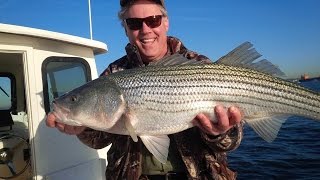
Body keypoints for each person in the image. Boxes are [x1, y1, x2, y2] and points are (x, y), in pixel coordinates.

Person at [46, 0, 243, 179]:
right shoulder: (113, 74)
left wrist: (219, 133)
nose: (146, 29)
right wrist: (82, 129)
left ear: (166, 22)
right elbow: (100, 141)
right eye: (134, 23)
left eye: (153, 20)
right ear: (125, 29)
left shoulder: (198, 65)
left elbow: (233, 142)